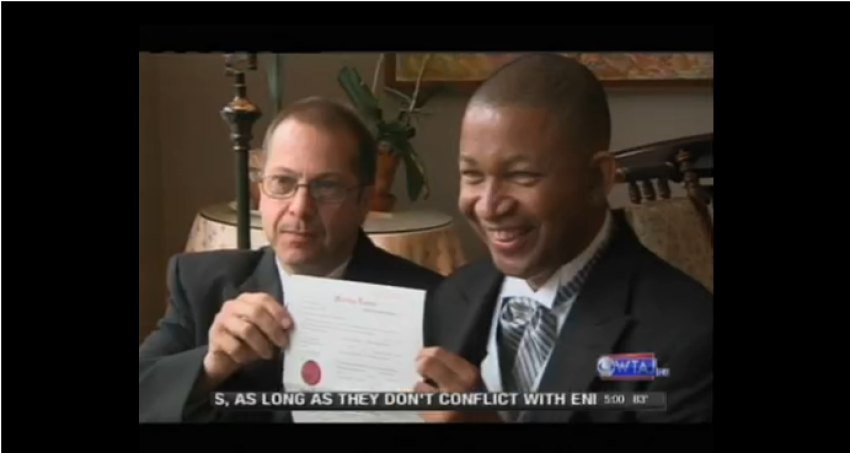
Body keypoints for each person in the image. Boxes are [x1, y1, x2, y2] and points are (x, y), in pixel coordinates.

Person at [415, 54, 712, 423]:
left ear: (596, 179)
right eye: (472, 176)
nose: (489, 206)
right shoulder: (448, 299)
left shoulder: (684, 337)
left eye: (522, 175)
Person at [139, 97, 443, 423]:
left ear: (363, 202)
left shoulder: (429, 302)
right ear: (261, 190)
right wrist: (210, 366)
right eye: (282, 182)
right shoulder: (200, 284)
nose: (300, 207)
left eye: (326, 187)